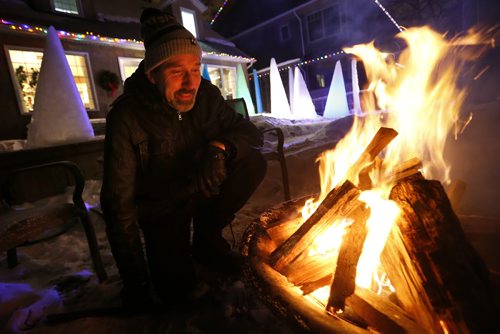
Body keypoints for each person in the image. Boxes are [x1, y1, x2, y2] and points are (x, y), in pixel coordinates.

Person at [100, 8, 266, 309]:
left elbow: (249, 132)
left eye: (195, 68)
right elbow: (118, 206)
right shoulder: (127, 117)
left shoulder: (206, 96)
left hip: (202, 190)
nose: (191, 83)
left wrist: (220, 147)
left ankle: (206, 239)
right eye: (177, 71)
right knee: (176, 293)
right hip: (163, 209)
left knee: (252, 161)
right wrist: (136, 282)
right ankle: (172, 261)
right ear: (152, 74)